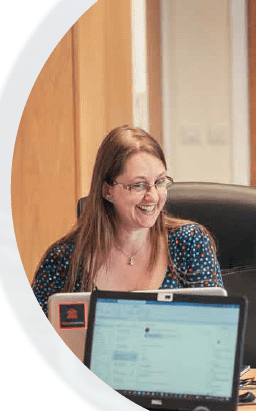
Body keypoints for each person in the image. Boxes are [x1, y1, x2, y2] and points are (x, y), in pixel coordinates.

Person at [33, 125, 222, 315]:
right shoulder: (63, 258)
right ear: (108, 191)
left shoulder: (190, 242)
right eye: (139, 185)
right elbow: (29, 332)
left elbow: (217, 328)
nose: (153, 196)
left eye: (160, 182)